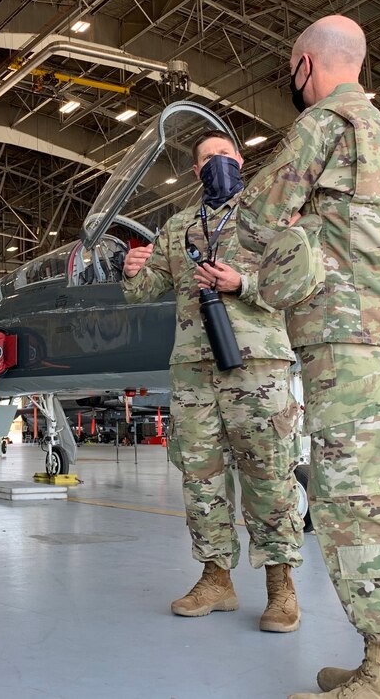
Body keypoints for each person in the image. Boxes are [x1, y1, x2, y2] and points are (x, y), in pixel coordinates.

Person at [234, 15, 380, 699]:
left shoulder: (324, 124)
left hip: (347, 339)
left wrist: (283, 228)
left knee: (351, 498)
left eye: (291, 70)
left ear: (304, 65)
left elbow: (257, 219)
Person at [122, 130, 304, 632]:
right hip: (194, 368)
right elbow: (144, 291)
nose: (216, 163)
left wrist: (241, 283)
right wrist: (133, 268)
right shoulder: (179, 226)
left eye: (224, 155)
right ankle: (216, 578)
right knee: (200, 477)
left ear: (241, 160)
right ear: (195, 170)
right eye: (206, 159)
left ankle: (280, 586)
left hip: (258, 365)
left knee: (268, 472)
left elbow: (302, 284)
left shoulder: (269, 216)